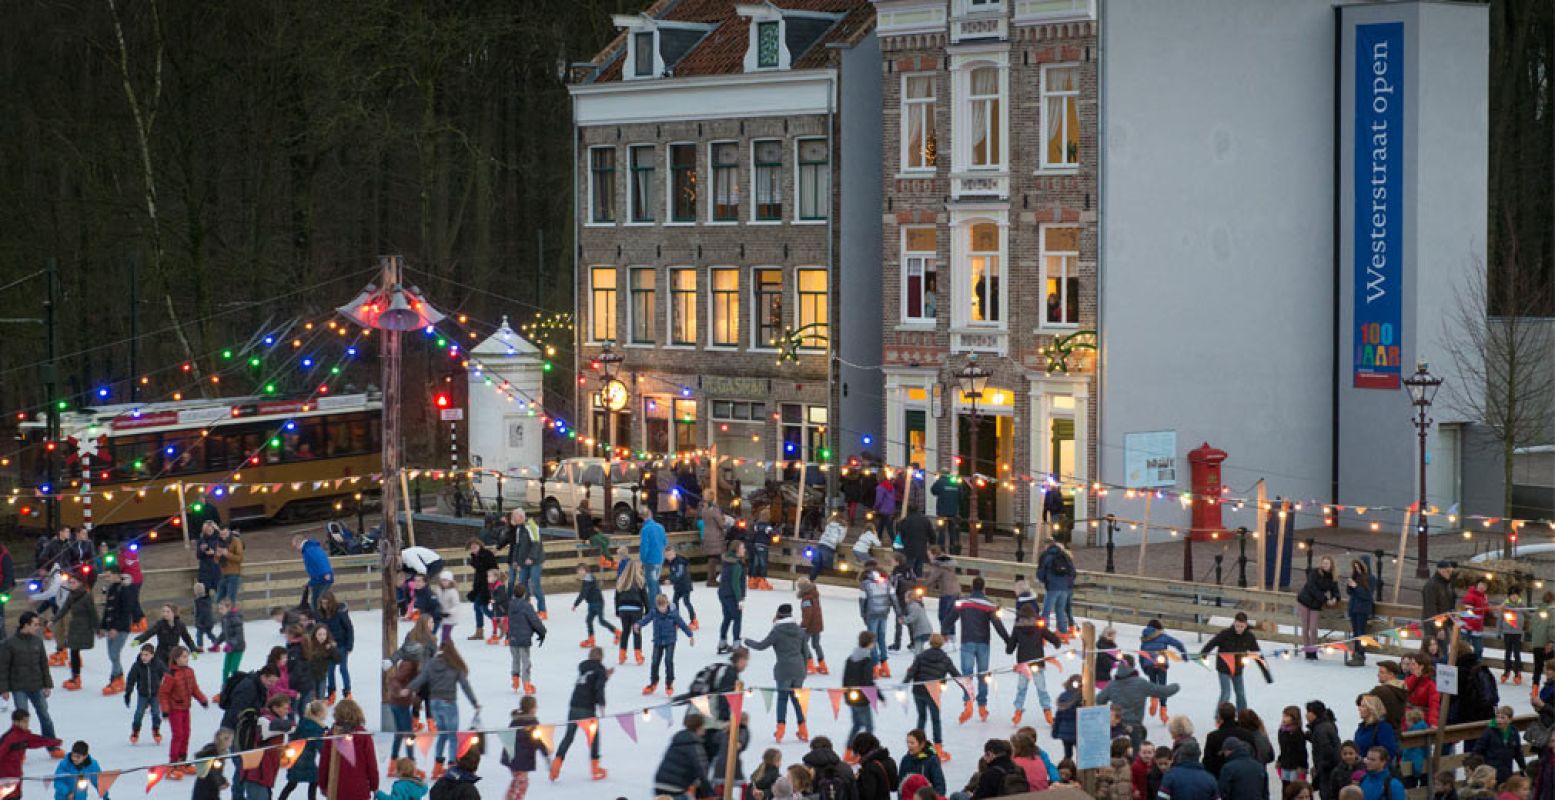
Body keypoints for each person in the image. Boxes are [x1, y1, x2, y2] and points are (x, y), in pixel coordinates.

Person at [403, 642, 480, 778]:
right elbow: (464, 685)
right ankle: (451, 766)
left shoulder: (432, 663)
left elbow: (421, 679)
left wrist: (408, 688)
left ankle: (437, 767)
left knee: (442, 735)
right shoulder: (454, 664)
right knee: (452, 737)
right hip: (448, 703)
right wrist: (474, 702)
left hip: (434, 704)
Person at [744, 603, 811, 742]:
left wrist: (747, 641)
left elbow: (761, 646)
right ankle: (803, 729)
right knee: (797, 699)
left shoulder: (777, 631)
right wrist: (803, 669)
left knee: (782, 699)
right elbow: (806, 653)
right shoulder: (800, 631)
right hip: (799, 669)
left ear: (779, 614)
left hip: (784, 669)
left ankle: (780, 730)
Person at [549, 646, 612, 782]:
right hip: (587, 708)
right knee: (594, 737)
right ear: (601, 657)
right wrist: (601, 702)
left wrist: (605, 676)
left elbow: (590, 679)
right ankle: (595, 768)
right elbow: (598, 687)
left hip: (574, 705)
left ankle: (556, 765)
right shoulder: (600, 670)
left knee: (569, 736)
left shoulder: (584, 667)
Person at [0, 612, 58, 753]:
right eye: (35, 624)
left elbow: (43, 664)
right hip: (19, 687)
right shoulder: (9, 643)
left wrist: (47, 684)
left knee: (44, 715)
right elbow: (3, 667)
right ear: (25, 625)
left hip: (37, 686)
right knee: (21, 720)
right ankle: (19, 748)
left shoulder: (37, 641)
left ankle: (51, 745)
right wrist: (4, 689)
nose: (38, 627)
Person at [1097, 655, 1179, 753]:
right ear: (1133, 666)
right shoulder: (1140, 683)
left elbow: (1099, 700)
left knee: (1117, 755)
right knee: (1135, 757)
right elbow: (1162, 691)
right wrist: (1176, 686)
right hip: (1135, 727)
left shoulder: (1112, 684)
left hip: (1116, 727)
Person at [1006, 605, 1062, 726]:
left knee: (1021, 689)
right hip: (1037, 662)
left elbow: (1010, 647)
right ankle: (1047, 711)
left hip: (1023, 664)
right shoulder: (1039, 627)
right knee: (1041, 689)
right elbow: (1051, 637)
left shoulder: (1017, 628)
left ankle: (1018, 710)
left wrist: (1009, 647)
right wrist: (1057, 642)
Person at [158, 646, 208, 776]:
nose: (187, 659)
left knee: (186, 734)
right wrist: (165, 710)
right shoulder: (170, 674)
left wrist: (202, 699)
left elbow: (194, 689)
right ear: (176, 659)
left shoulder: (190, 671)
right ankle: (173, 763)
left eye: (187, 656)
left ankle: (182, 760)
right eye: (184, 657)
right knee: (178, 734)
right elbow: (163, 694)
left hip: (186, 709)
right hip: (175, 710)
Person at [319, 699, 379, 800]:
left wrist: (323, 784)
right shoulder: (363, 735)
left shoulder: (332, 735)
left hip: (336, 788)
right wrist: (374, 785)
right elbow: (371, 763)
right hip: (359, 788)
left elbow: (324, 763)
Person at [636, 592, 694, 696]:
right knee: (655, 662)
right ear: (657, 606)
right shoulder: (654, 612)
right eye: (660, 607)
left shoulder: (673, 614)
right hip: (658, 641)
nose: (662, 609)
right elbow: (645, 619)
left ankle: (669, 683)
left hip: (670, 641)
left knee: (668, 661)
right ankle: (653, 682)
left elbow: (682, 624)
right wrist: (638, 624)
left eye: (664, 606)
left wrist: (690, 635)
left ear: (667, 604)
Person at [241, 695, 297, 800]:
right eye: (285, 708)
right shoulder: (264, 720)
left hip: (264, 773)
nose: (287, 711)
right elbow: (290, 726)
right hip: (257, 773)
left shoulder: (269, 719)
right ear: (275, 707)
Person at [1201, 611, 1260, 710]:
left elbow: (1256, 651)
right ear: (1234, 623)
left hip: (1238, 668)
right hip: (1223, 667)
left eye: (1242, 626)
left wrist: (1259, 656)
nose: (1239, 629)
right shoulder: (1225, 634)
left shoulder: (1249, 637)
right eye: (1237, 626)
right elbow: (1212, 643)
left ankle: (1242, 715)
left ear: (1246, 625)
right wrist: (1204, 654)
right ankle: (1220, 717)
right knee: (1226, 693)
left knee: (1240, 694)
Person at [50, 573, 96, 692]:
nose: (71, 584)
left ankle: (76, 678)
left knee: (74, 650)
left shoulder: (86, 596)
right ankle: (75, 677)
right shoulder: (72, 595)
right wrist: (54, 620)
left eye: (73, 582)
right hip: (74, 626)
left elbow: (93, 613)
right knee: (73, 650)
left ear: (80, 583)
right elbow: (64, 609)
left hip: (84, 626)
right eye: (70, 582)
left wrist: (98, 628)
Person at [0, 708, 61, 798]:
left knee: (16, 795)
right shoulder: (9, 738)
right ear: (16, 722)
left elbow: (37, 741)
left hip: (16, 773)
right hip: (5, 775)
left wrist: (53, 742)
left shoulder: (24, 735)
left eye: (28, 721)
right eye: (25, 722)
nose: (27, 724)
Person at [1140, 618, 1188, 723]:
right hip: (1162, 664)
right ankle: (1163, 711)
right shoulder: (1162, 636)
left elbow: (1141, 654)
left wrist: (1144, 667)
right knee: (1162, 686)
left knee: (1153, 684)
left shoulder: (1145, 638)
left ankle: (1153, 702)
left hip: (1149, 665)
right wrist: (1184, 654)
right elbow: (1178, 643)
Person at [653, 711, 710, 799]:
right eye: (703, 726)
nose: (705, 729)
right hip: (675, 787)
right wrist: (709, 793)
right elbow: (701, 770)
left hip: (659, 783)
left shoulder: (678, 739)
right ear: (699, 727)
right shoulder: (695, 745)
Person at [280, 700, 327, 800]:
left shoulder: (303, 723)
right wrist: (326, 753)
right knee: (314, 780)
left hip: (296, 756)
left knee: (292, 783)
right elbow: (319, 744)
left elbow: (293, 737)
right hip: (305, 759)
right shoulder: (316, 728)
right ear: (319, 713)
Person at [501, 696, 547, 800]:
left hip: (511, 757)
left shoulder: (516, 720)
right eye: (536, 707)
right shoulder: (532, 723)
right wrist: (545, 753)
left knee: (517, 781)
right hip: (522, 759)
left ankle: (509, 797)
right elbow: (538, 740)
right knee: (522, 783)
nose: (537, 709)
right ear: (531, 709)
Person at [505, 582, 545, 695]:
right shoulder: (527, 606)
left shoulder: (510, 605)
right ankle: (526, 684)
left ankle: (515, 680)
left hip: (512, 637)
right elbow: (534, 620)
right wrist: (542, 631)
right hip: (524, 639)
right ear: (524, 594)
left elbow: (510, 621)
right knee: (525, 661)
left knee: (515, 659)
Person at [842, 631, 879, 753]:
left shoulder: (850, 658)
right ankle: (865, 752)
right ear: (869, 643)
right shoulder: (867, 660)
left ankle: (848, 751)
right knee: (869, 727)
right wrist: (880, 695)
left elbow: (845, 679)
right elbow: (868, 682)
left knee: (857, 724)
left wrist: (846, 695)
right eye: (873, 642)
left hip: (851, 697)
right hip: (862, 699)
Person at [1299, 556, 1342, 658]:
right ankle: (1307, 651)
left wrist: (1335, 598)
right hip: (1305, 600)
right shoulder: (1315, 572)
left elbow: (1335, 590)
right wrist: (1325, 600)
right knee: (1305, 627)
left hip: (1316, 604)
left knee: (1313, 628)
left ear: (1331, 565)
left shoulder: (1332, 577)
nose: (1325, 565)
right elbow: (1311, 587)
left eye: (1327, 563)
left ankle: (1313, 651)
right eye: (1323, 563)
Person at [97, 572, 131, 696]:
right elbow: (107, 610)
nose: (107, 578)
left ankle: (115, 679)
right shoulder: (111, 589)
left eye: (109, 575)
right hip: (110, 627)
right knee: (112, 655)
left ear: (117, 575)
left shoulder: (124, 590)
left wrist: (116, 628)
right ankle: (119, 678)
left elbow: (125, 611)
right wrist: (102, 627)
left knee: (114, 654)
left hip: (121, 628)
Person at [124, 644, 165, 744]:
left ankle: (156, 730)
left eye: (146, 655)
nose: (143, 657)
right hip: (143, 694)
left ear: (152, 655)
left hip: (155, 694)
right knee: (139, 713)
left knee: (156, 713)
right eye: (142, 654)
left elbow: (165, 674)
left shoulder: (158, 664)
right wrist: (128, 694)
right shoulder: (137, 665)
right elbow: (131, 680)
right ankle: (135, 731)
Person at [1472, 705, 1524, 784]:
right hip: (1491, 772)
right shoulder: (1489, 732)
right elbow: (1477, 750)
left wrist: (1523, 767)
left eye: (1503, 718)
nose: (1499, 720)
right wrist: (1479, 770)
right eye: (1497, 717)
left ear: (1510, 719)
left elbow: (1518, 752)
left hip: (1507, 771)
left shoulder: (1514, 732)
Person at [319, 591, 354, 704]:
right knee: (330, 670)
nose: (324, 606)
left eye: (326, 603)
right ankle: (331, 693)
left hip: (342, 645)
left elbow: (349, 628)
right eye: (322, 603)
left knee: (343, 669)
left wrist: (349, 646)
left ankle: (347, 692)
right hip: (328, 647)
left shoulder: (340, 612)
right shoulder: (321, 614)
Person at [1036, 540, 1077, 636]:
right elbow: (1073, 572)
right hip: (1064, 588)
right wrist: (1066, 582)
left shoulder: (1046, 556)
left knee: (1046, 610)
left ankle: (1043, 632)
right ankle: (1063, 632)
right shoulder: (1065, 555)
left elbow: (1041, 572)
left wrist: (1044, 580)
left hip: (1052, 587)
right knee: (1060, 610)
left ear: (1048, 546)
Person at [1204, 703, 1256, 777]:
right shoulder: (1247, 734)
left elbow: (1208, 763)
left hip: (1220, 778)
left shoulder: (1213, 737)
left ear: (1220, 717)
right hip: (1244, 777)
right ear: (1235, 715)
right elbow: (1254, 756)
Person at [570, 564, 616, 648]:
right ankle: (591, 640)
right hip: (592, 603)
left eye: (582, 570)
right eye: (578, 570)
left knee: (601, 621)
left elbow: (583, 594)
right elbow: (583, 593)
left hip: (597, 603)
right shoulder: (587, 579)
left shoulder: (588, 580)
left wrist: (575, 604)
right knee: (589, 621)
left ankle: (617, 633)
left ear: (586, 570)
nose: (580, 572)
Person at [860, 562, 893, 676]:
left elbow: (863, 601)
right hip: (883, 613)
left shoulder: (865, 584)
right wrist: (899, 613)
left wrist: (863, 615)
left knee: (872, 640)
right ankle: (885, 666)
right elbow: (893, 598)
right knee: (881, 638)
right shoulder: (887, 582)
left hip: (872, 613)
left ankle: (875, 667)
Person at [464, 540, 499, 642]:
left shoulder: (487, 554)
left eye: (475, 546)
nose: (473, 549)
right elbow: (478, 573)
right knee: (477, 607)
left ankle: (500, 622)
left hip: (488, 585)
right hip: (480, 586)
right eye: (471, 547)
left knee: (481, 606)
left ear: (480, 545)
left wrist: (492, 583)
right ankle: (479, 631)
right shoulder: (475, 557)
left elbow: (494, 569)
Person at [923, 547, 960, 642]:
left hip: (947, 593)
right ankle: (952, 636)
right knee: (950, 615)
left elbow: (932, 578)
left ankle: (946, 637)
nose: (929, 557)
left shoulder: (939, 565)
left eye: (929, 555)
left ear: (934, 554)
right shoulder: (948, 562)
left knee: (943, 616)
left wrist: (922, 585)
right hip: (956, 591)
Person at [615, 559, 648, 666]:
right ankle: (638, 656)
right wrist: (648, 610)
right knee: (636, 632)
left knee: (625, 632)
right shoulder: (640, 581)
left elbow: (616, 597)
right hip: (636, 609)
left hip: (623, 609)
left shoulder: (621, 581)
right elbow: (645, 598)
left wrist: (617, 610)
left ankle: (621, 656)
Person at [1306, 701, 1341, 800]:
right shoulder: (1325, 725)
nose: (1306, 715)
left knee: (1327, 795)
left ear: (1313, 714)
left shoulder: (1321, 729)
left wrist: (1319, 772)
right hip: (1329, 771)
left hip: (1327, 773)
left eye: (1308, 712)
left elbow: (1327, 752)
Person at [716, 541, 746, 655]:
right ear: (736, 550)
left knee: (727, 618)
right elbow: (735, 584)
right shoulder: (736, 565)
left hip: (723, 593)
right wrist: (740, 599)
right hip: (732, 595)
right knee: (737, 619)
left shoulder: (727, 561)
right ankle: (736, 643)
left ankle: (722, 642)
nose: (744, 550)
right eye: (742, 548)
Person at [899, 730, 949, 798]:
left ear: (922, 744)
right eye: (907, 742)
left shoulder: (931, 760)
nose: (909, 745)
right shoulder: (905, 760)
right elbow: (901, 785)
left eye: (912, 743)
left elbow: (940, 786)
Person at [1347, 559, 1376, 666]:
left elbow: (1367, 595)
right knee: (1355, 633)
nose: (1357, 569)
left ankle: (1360, 655)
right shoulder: (1356, 576)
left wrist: (1356, 587)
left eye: (1359, 567)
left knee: (1361, 633)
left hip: (1362, 609)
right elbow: (1350, 593)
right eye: (1355, 567)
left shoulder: (1371, 578)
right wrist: (1350, 585)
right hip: (1353, 608)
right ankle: (1356, 653)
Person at [1353, 695, 1398, 764]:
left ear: (1371, 709)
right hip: (1359, 768)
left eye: (1363, 706)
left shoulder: (1383, 728)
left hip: (1375, 770)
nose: (1359, 708)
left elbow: (1389, 753)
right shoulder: (1361, 728)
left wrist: (1368, 761)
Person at [294, 536, 335, 612]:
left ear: (298, 543)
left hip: (323, 578)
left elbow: (321, 559)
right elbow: (314, 567)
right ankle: (318, 618)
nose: (296, 549)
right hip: (317, 579)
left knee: (320, 600)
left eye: (295, 546)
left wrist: (326, 572)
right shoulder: (307, 549)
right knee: (315, 600)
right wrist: (310, 582)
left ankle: (323, 618)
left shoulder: (310, 549)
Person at [639, 506, 667, 609]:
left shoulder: (645, 530)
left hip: (650, 561)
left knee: (652, 587)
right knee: (656, 584)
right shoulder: (660, 527)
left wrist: (643, 559)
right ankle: (663, 605)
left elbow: (644, 547)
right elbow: (665, 542)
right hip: (660, 559)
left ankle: (653, 609)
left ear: (642, 516)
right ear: (651, 514)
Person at [1421, 561, 1457, 642]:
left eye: (1450, 571)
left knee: (1444, 649)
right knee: (1433, 648)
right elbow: (1431, 609)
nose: (1450, 573)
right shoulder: (1431, 585)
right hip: (1434, 625)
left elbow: (1449, 604)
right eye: (1447, 571)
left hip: (1445, 622)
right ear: (1440, 570)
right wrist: (1438, 628)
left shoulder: (1447, 584)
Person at [700, 499, 733, 588]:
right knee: (722, 558)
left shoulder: (704, 511)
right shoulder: (714, 511)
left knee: (712, 558)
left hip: (707, 536)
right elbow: (721, 524)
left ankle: (711, 579)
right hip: (716, 536)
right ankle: (723, 579)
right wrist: (728, 524)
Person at [797, 577, 827, 675]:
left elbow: (808, 614)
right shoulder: (814, 594)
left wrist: (803, 626)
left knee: (803, 644)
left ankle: (810, 665)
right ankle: (823, 665)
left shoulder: (806, 598)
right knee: (816, 644)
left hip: (810, 625)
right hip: (817, 624)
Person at [929, 469, 963, 554]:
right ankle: (952, 550)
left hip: (942, 511)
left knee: (941, 532)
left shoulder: (940, 481)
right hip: (953, 512)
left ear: (941, 473)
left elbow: (933, 491)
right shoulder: (956, 482)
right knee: (953, 532)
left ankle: (942, 550)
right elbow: (961, 496)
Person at [664, 545, 697, 630]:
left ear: (674, 553)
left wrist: (671, 580)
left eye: (670, 555)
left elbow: (679, 573)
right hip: (678, 586)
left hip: (685, 585)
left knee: (686, 602)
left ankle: (694, 620)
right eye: (667, 555)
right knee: (674, 603)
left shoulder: (679, 561)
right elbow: (673, 572)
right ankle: (677, 621)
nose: (669, 557)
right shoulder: (671, 562)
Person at [1403, 654, 1441, 727]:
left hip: (1420, 721)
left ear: (1421, 666)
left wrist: (1433, 723)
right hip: (1406, 719)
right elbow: (1405, 690)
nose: (1410, 666)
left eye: (1413, 664)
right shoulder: (1410, 678)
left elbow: (1434, 705)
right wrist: (1415, 677)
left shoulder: (1431, 684)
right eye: (1410, 664)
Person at [1530, 591, 1555, 700]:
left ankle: (1534, 690)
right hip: (1546, 644)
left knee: (1537, 667)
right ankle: (1549, 689)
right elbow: (1552, 627)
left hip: (1537, 643)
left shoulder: (1537, 611)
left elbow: (1532, 627)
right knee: (1551, 667)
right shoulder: (1552, 610)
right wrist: (1552, 642)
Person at [1370, 661, 1410, 729]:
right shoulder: (1402, 689)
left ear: (1391, 674)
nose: (1378, 674)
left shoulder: (1380, 691)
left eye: (1381, 672)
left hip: (1381, 730)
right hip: (1397, 730)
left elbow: (1362, 702)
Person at [1500, 586, 1525, 685]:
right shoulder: (1505, 605)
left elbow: (1528, 614)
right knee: (1507, 653)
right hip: (1507, 633)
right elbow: (1500, 619)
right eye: (1512, 595)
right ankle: (1507, 671)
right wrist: (1498, 632)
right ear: (1509, 596)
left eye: (1516, 595)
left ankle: (1517, 672)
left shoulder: (1522, 605)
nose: (1514, 597)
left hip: (1517, 634)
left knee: (1517, 653)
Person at [1400, 707, 1429, 790]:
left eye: (1407, 720)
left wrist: (1416, 770)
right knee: (1425, 787)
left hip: (1412, 768)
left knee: (1410, 790)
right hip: (1423, 765)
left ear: (1413, 721)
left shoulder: (1414, 734)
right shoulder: (1424, 730)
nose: (1406, 723)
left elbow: (1417, 753)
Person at [1054, 675, 1082, 761]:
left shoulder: (1062, 696)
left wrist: (1055, 731)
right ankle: (1081, 770)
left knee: (1067, 754)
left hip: (1064, 731)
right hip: (1077, 730)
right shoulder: (1082, 697)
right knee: (1082, 754)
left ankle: (1067, 767)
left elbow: (1058, 716)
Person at [897, 510, 933, 576]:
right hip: (921, 549)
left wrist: (900, 548)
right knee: (919, 570)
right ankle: (918, 583)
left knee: (909, 569)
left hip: (909, 549)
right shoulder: (925, 520)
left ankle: (909, 582)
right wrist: (932, 544)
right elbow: (932, 535)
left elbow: (900, 535)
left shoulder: (905, 521)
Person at [811, 511, 845, 580]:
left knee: (818, 563)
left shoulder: (829, 524)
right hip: (830, 546)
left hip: (821, 543)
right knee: (822, 565)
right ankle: (811, 580)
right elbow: (840, 540)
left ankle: (811, 580)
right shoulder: (842, 528)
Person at [1463, 578, 1491, 659]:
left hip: (1477, 628)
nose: (1482, 587)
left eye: (1485, 586)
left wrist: (1486, 603)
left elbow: (1485, 611)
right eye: (1481, 584)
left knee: (1479, 650)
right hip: (1468, 628)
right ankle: (1464, 667)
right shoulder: (1470, 595)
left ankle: (1476, 667)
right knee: (1465, 650)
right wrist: (1469, 625)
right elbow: (1467, 612)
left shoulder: (1483, 598)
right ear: (1477, 585)